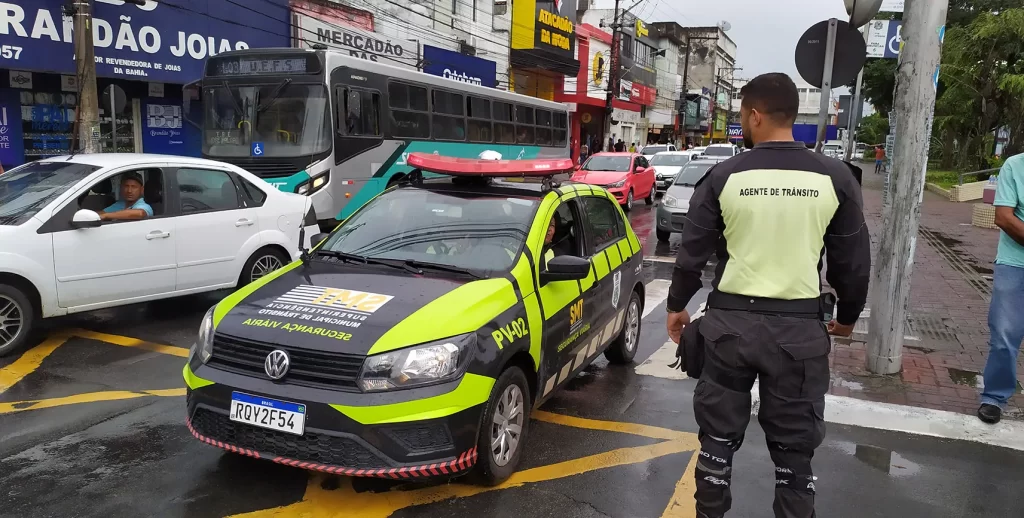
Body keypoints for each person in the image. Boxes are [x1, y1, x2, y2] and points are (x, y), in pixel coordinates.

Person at [664, 73, 870, 518]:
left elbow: (691, 254)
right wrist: (848, 317)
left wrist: (677, 307)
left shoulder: (724, 176)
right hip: (798, 336)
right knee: (795, 454)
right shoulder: (834, 177)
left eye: (742, 115)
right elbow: (852, 262)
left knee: (716, 444)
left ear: (755, 115)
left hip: (728, 332)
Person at [977, 153, 1024, 424]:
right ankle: (994, 397)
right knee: (1005, 335)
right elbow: (1004, 217)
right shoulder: (1015, 165)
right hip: (1014, 262)